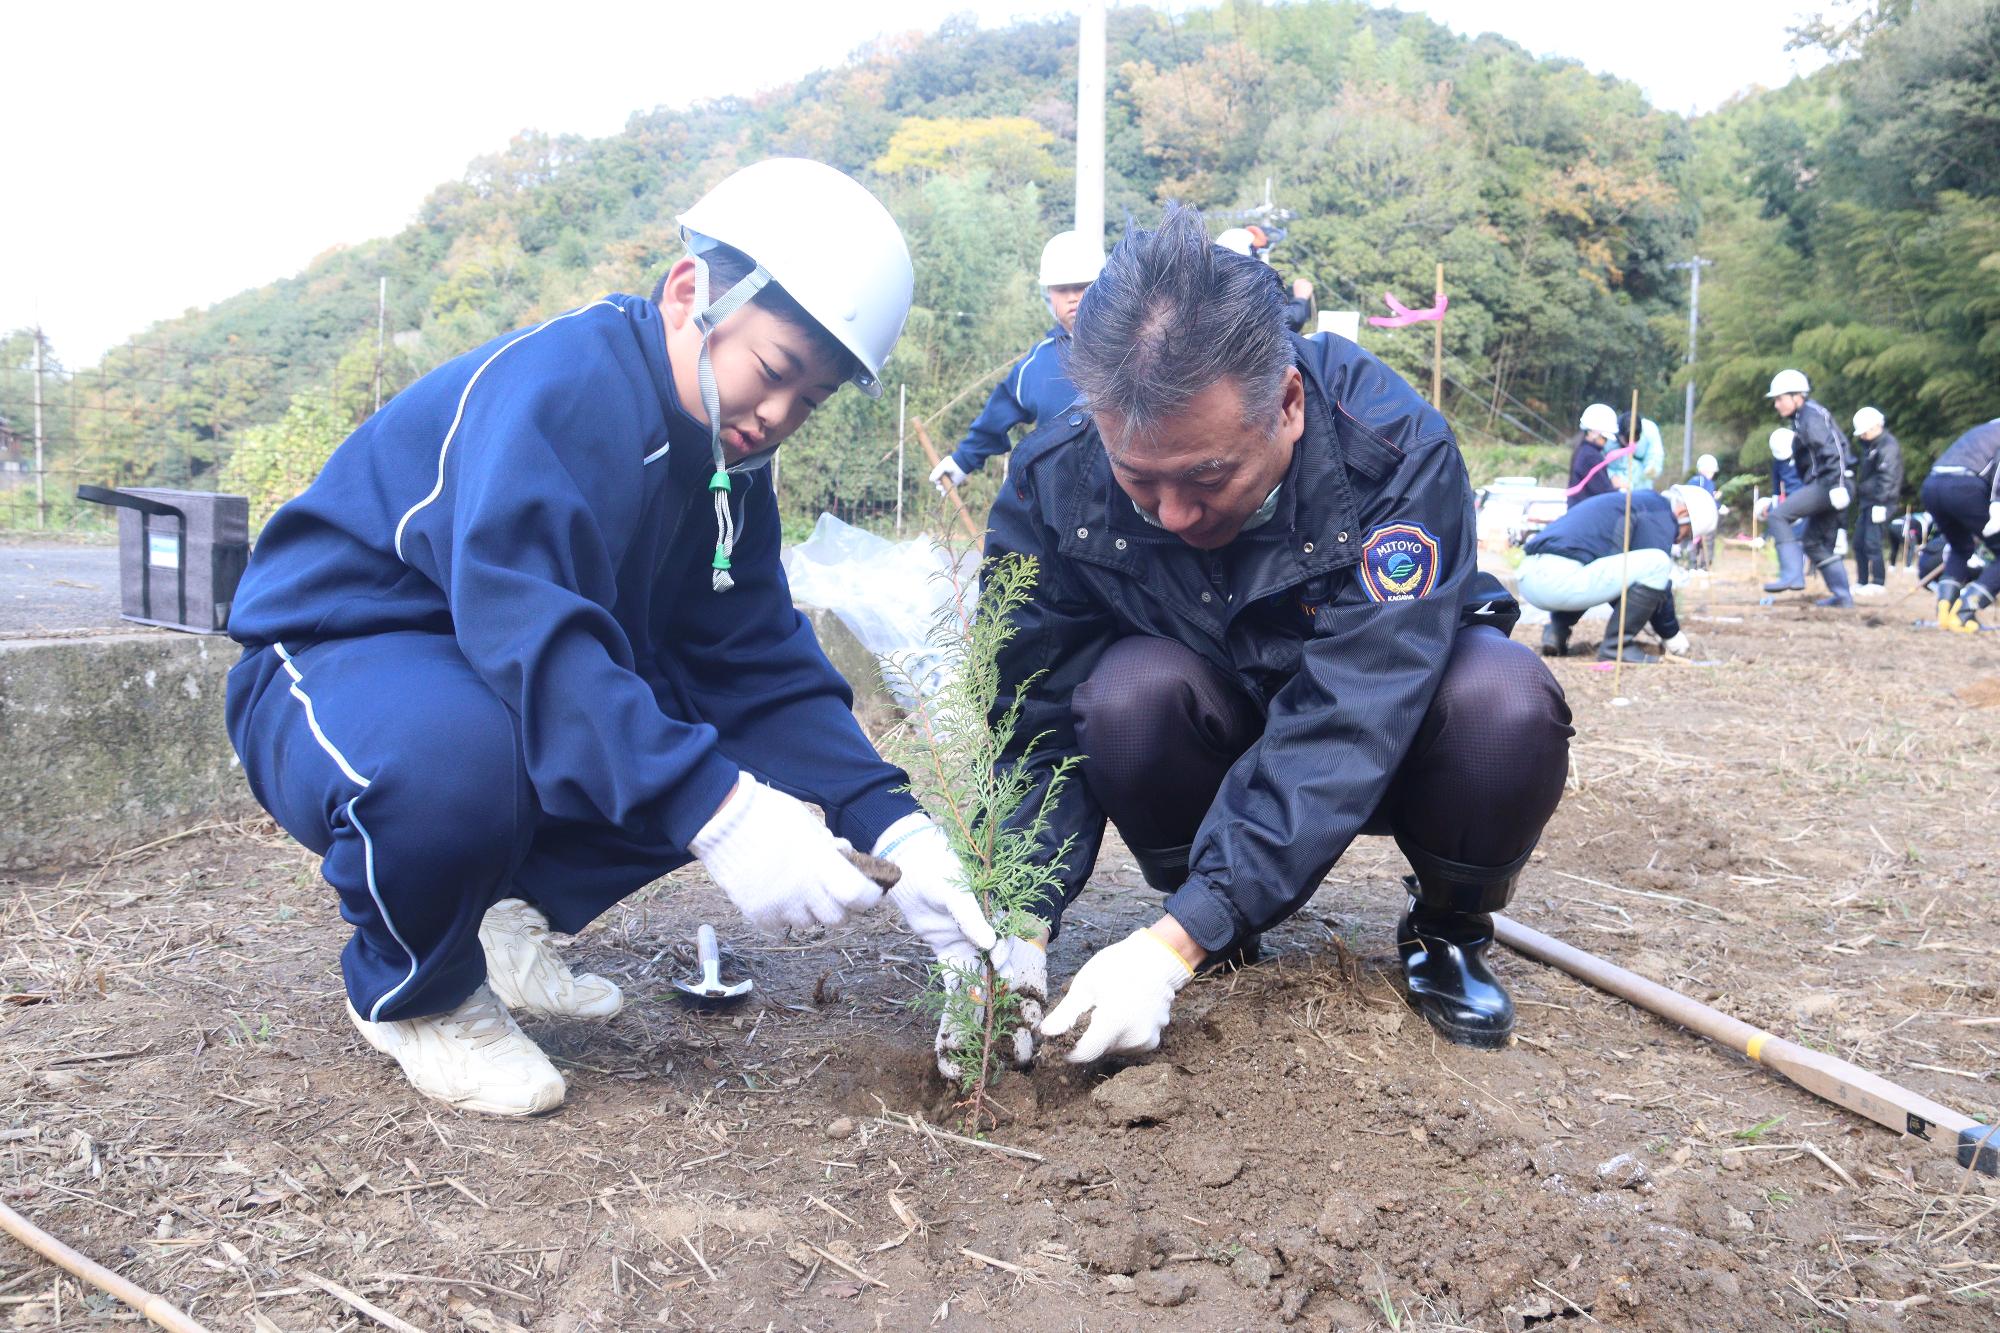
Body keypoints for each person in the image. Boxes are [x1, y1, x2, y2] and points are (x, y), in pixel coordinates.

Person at [222, 160, 1003, 1117]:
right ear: (689, 295)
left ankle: (494, 917)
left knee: (706, 748)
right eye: (773, 373)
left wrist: (894, 825)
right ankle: (415, 993)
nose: (778, 417)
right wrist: (719, 810)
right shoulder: (562, 387)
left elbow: (753, 665)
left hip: (482, 670)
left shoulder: (729, 471)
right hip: (337, 658)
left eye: (811, 400)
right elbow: (529, 632)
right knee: (490, 758)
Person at [980, 206, 1574, 1062]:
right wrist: (1018, 921)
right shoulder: (1056, 479)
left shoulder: (1395, 450)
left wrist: (1170, 943)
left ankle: (1446, 929)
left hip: (1388, 737)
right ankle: (1214, 924)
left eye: (1206, 476)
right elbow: (1034, 720)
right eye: (1139, 480)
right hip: (1210, 728)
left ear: (1288, 403)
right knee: (1124, 694)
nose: (1173, 514)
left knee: (1503, 702)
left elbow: (1352, 712)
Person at [929, 230, 1102, 493]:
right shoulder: (1036, 366)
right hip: (1059, 501)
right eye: (1061, 289)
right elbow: (999, 412)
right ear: (1048, 294)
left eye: (1080, 286)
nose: (1072, 298)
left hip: (1128, 502)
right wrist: (962, 461)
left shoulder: (1133, 351)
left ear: (1104, 286)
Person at [1519, 485, 1718, 662]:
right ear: (1682, 512)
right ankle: (1616, 647)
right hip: (1560, 583)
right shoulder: (1658, 515)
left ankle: (1556, 633)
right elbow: (1657, 585)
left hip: (1529, 576)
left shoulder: (1636, 502)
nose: (1678, 541)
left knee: (1598, 565)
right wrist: (1671, 635)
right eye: (1686, 533)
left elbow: (1618, 581)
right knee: (1658, 563)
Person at [1759, 369, 1856, 607]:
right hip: (1828, 483)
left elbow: (1834, 449)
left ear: (1797, 396)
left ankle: (1792, 575)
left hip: (1830, 484)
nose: (1776, 404)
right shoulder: (1802, 418)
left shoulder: (1811, 417)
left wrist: (1839, 485)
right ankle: (1843, 598)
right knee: (1813, 543)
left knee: (1778, 516)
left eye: (1780, 399)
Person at [1920, 418, 2000, 631]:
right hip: (1965, 487)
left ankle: (1945, 612)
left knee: (1960, 547)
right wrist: (1997, 503)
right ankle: (1964, 611)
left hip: (1933, 485)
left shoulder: (1986, 429)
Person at [1216, 225, 1314, 332]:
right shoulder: (1241, 293)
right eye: (1255, 253)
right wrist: (1301, 298)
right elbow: (1288, 321)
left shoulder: (1216, 287)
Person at [1850, 406, 1902, 595]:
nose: (1862, 436)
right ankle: (1862, 581)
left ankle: (1878, 582)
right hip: (1867, 501)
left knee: (1873, 543)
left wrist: (1881, 503)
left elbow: (1888, 477)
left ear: (1875, 427)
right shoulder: (1870, 446)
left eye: (1865, 432)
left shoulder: (1888, 446)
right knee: (1859, 543)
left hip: (1881, 502)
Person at [1567, 403, 1623, 508]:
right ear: (1591, 433)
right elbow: (1604, 493)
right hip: (1585, 513)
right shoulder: (1590, 457)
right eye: (1604, 438)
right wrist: (1616, 487)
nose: (1606, 442)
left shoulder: (1582, 451)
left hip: (1578, 511)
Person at [1608, 414, 1665, 491]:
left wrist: (1652, 468)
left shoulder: (1649, 430)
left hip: (1642, 485)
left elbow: (1655, 454)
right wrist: (1612, 476)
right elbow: (1601, 462)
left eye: (1635, 440)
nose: (1631, 444)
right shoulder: (1609, 436)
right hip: (1618, 487)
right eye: (1627, 441)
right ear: (1620, 435)